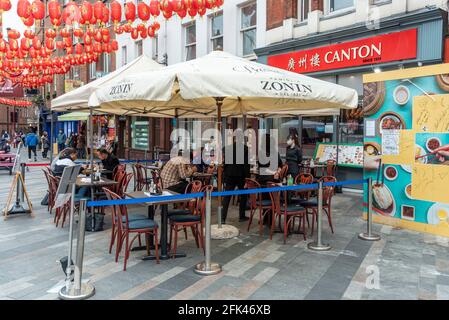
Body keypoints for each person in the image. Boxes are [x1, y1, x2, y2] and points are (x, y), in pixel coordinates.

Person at [221, 131, 250, 224]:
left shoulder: (226, 148)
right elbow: (246, 165)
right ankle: (241, 216)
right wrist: (247, 179)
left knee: (226, 197)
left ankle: (222, 218)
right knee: (243, 195)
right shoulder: (245, 149)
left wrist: (225, 174)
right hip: (240, 176)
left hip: (229, 175)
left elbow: (224, 164)